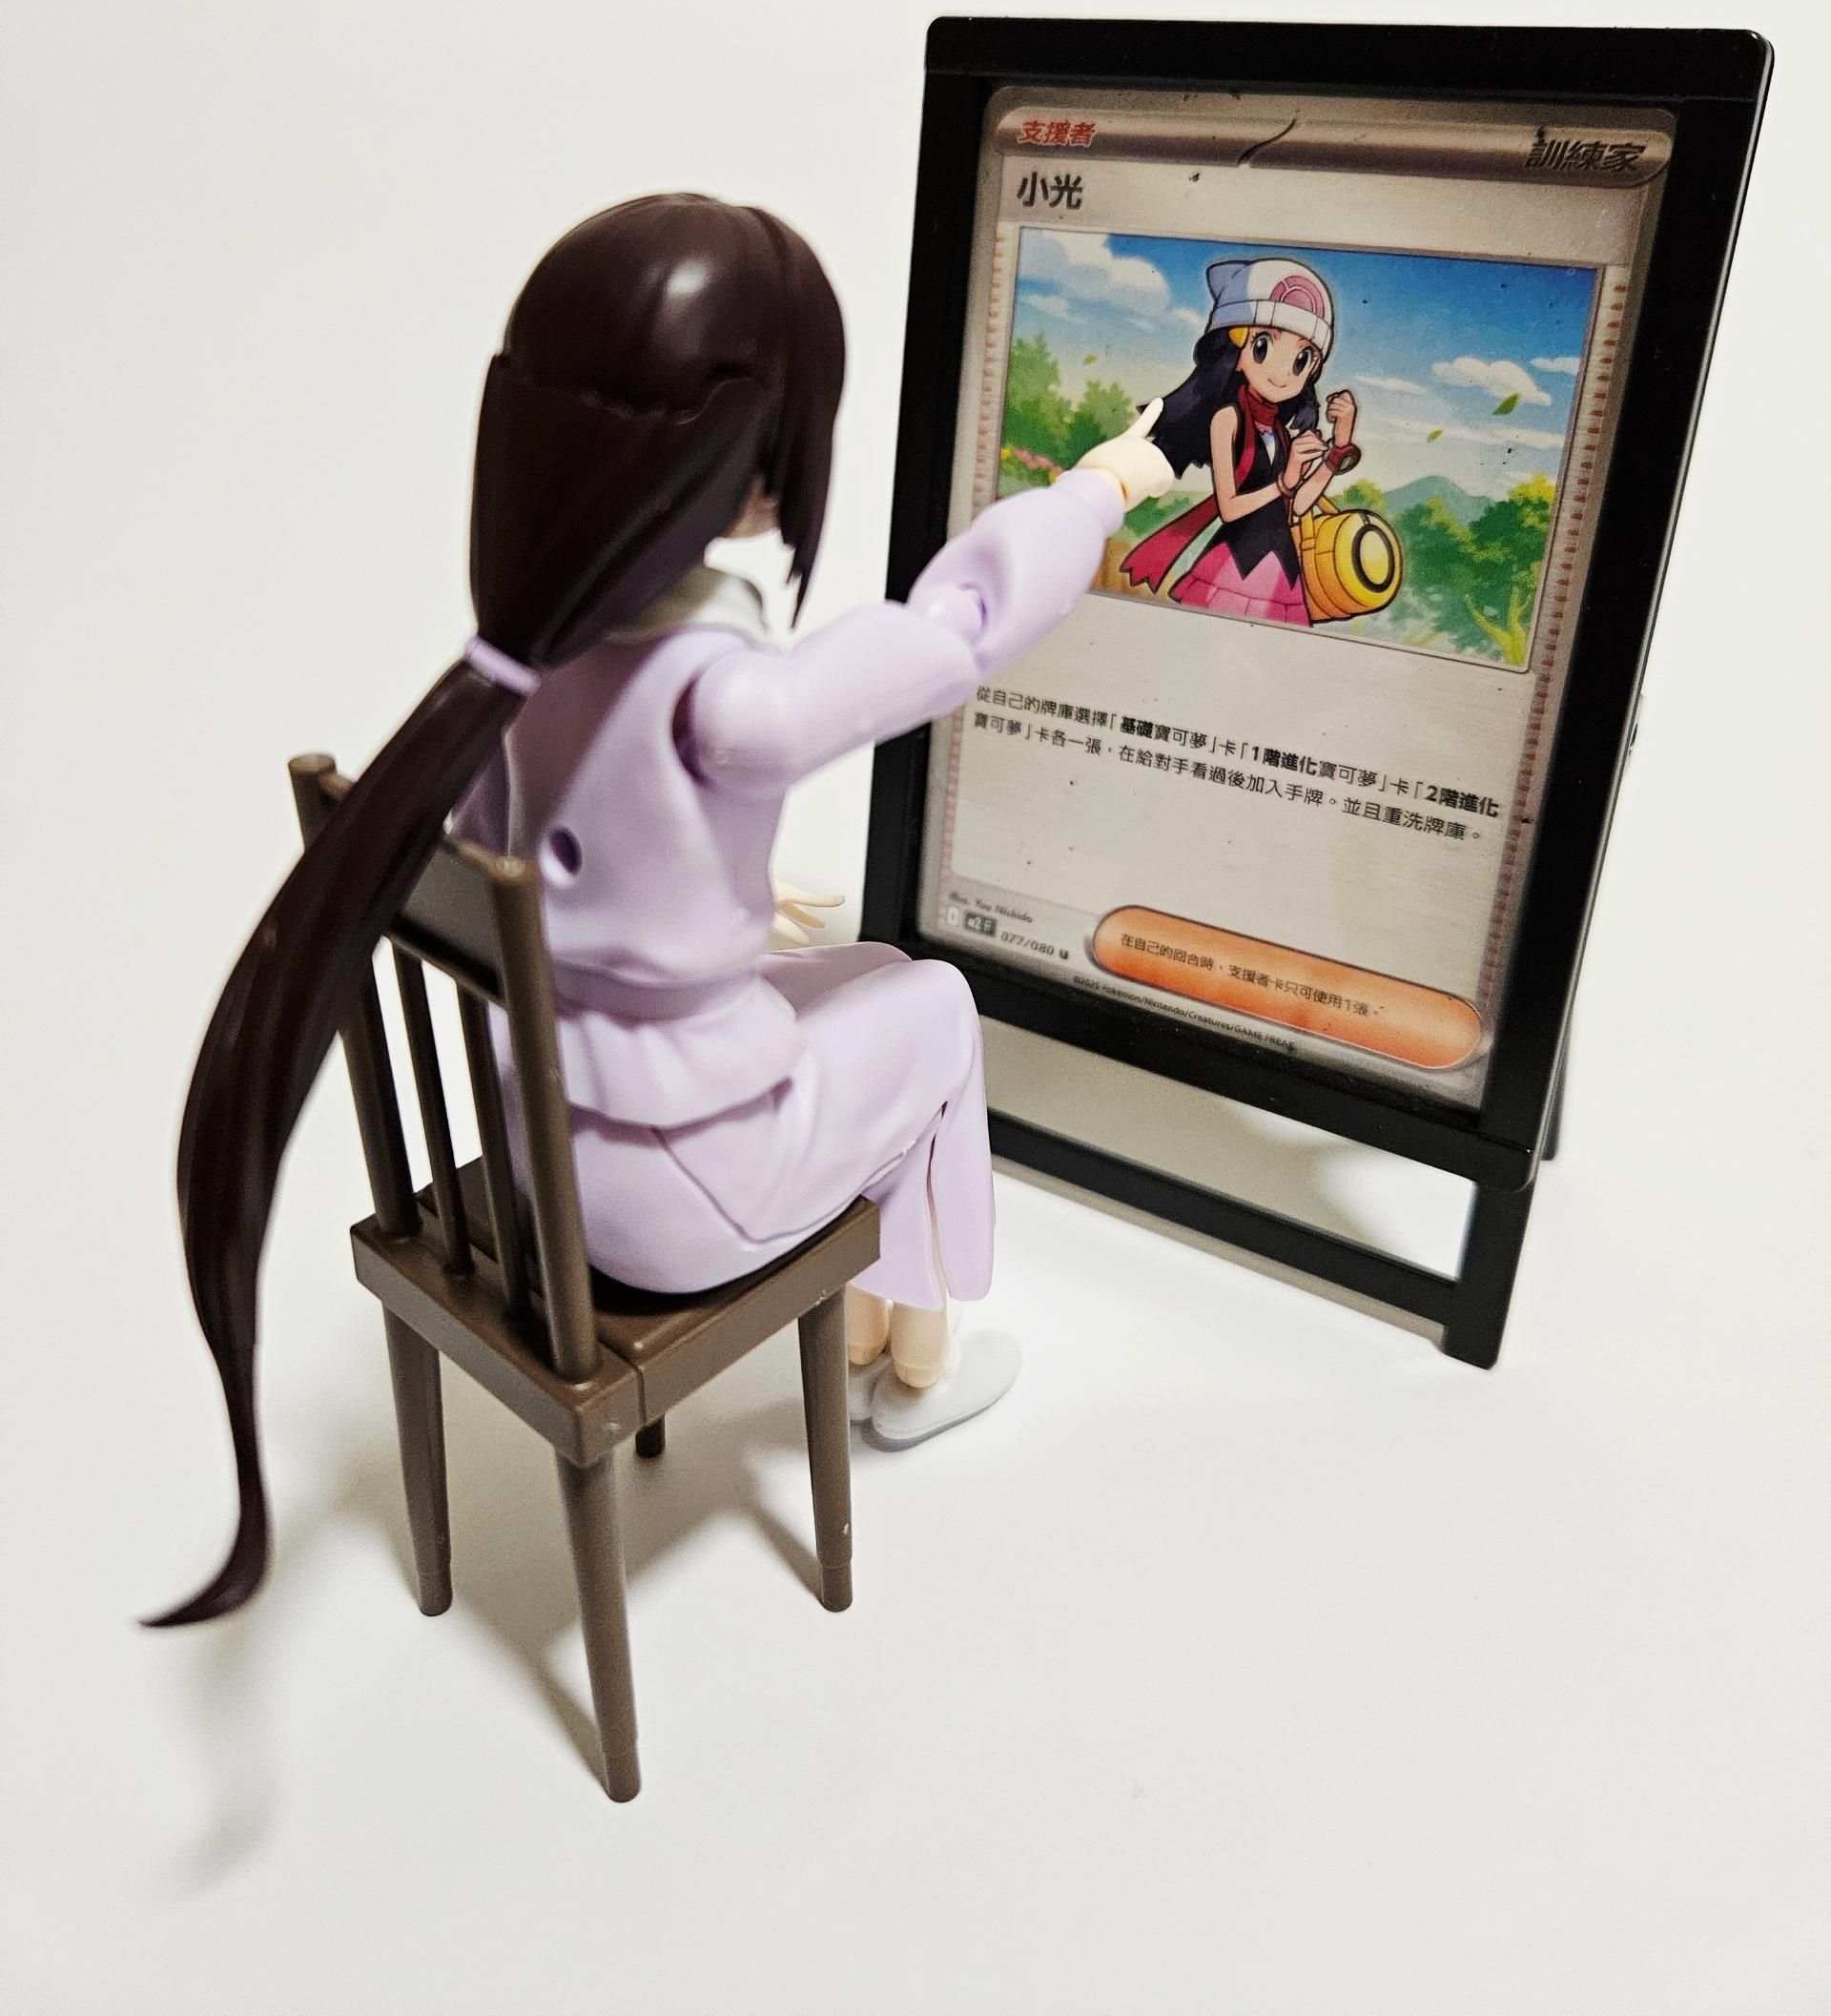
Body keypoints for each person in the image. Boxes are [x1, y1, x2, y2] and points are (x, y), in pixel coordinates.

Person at [154, 193, 1173, 1625]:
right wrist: (1100, 491)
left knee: (864, 969)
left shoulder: (512, 667)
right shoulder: (729, 696)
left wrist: (713, 908)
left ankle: (871, 1325)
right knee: (935, 1003)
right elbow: (956, 636)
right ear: (744, 467)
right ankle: (921, 1369)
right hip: (674, 1198)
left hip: (548, 1153)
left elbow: (515, 868)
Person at [1121, 256, 1359, 621]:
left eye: (1301, 359)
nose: (1283, 373)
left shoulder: (1280, 431)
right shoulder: (1227, 419)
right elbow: (1229, 508)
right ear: (1235, 352)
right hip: (1235, 565)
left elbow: (1296, 507)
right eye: (1263, 347)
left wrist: (1337, 449)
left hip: (1281, 572)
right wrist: (1284, 481)